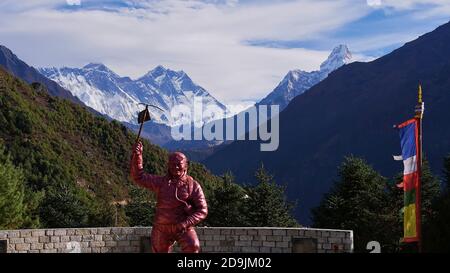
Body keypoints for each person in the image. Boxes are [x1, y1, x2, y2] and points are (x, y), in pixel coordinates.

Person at [130, 140, 208, 253]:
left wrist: (186, 223)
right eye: (172, 165)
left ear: (185, 165)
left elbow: (203, 210)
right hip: (161, 228)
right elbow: (138, 177)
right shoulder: (161, 182)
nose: (175, 167)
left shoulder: (193, 185)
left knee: (193, 246)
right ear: (168, 165)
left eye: (179, 165)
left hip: (183, 227)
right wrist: (137, 155)